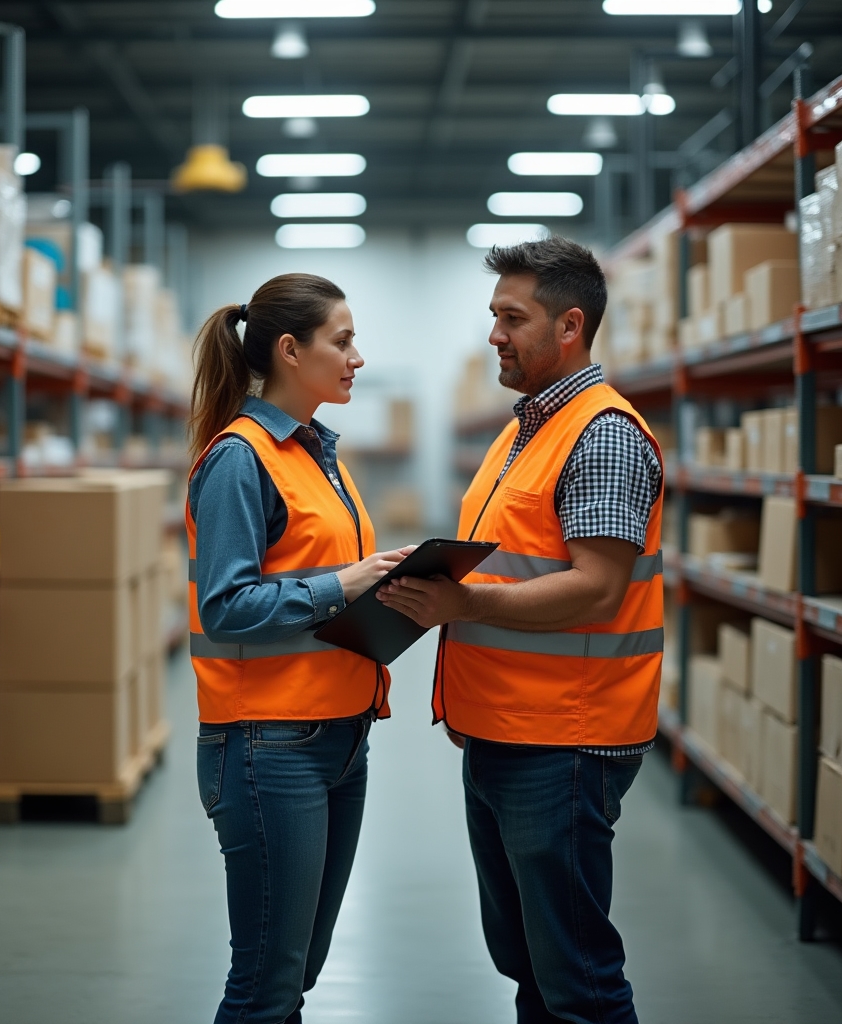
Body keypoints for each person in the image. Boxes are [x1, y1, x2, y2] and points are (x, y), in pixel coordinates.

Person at [378, 237, 663, 1024]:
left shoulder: (599, 432)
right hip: (507, 728)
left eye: (512, 318)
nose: (494, 335)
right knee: (530, 964)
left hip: (563, 738)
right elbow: (518, 559)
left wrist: (465, 606)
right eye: (493, 316)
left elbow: (598, 589)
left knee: (578, 980)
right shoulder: (525, 428)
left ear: (569, 326)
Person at [186, 273, 410, 1024]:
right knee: (265, 985)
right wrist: (342, 586)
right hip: (267, 746)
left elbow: (327, 581)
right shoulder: (238, 460)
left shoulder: (322, 456)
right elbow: (225, 606)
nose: (358, 357)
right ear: (290, 350)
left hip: (341, 740)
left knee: (298, 970)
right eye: (342, 341)